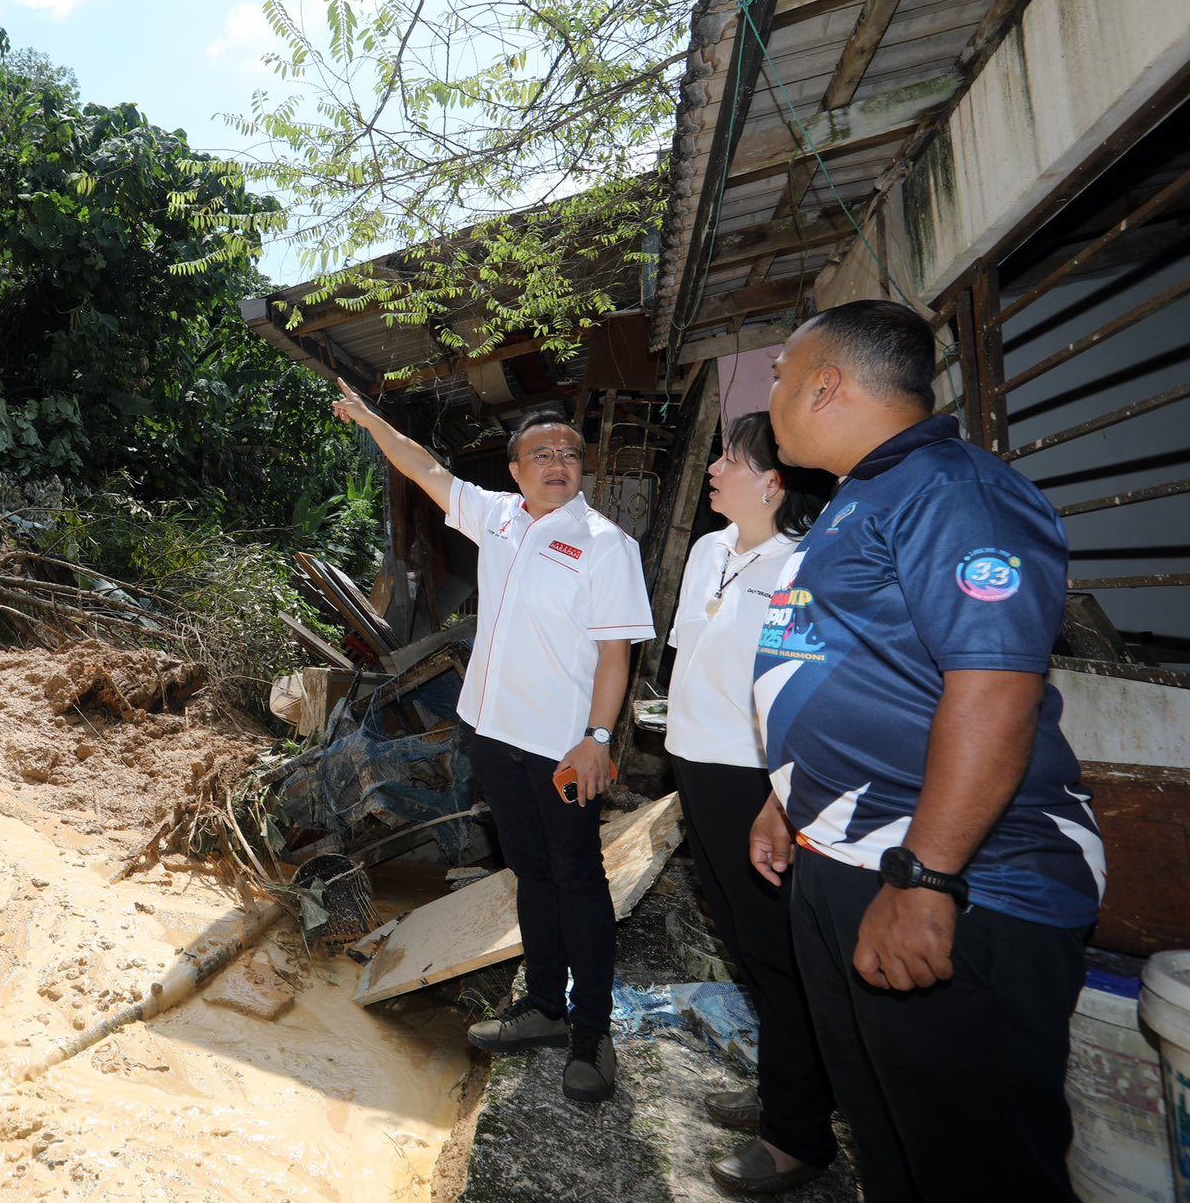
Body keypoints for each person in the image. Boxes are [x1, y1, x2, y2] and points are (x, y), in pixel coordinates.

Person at [746, 301, 1105, 1202]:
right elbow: (849, 663)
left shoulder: (955, 493)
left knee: (972, 1164)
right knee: (891, 1135)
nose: (774, 394)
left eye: (783, 375)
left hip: (959, 879)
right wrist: (792, 796)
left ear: (826, 384)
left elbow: (995, 690)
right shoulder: (864, 493)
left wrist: (929, 877)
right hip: (851, 854)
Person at [332, 380, 653, 1102]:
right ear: (515, 471)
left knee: (578, 883)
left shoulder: (608, 546)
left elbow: (614, 656)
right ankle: (542, 1007)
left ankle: (591, 1033)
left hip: (562, 750)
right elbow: (424, 467)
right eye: (540, 454)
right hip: (495, 739)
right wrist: (372, 418)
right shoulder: (500, 518)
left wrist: (598, 739)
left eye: (567, 453)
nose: (557, 463)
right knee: (530, 876)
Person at [664, 412, 838, 1195]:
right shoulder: (707, 551)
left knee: (774, 949)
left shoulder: (801, 565)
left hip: (754, 780)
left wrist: (779, 790)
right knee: (741, 936)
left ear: (771, 481)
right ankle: (786, 1092)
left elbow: (804, 693)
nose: (713, 469)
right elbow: (687, 658)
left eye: (728, 458)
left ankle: (796, 1138)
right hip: (693, 765)